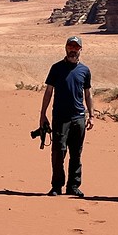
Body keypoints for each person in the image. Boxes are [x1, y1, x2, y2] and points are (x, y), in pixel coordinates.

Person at [39, 36, 94, 197]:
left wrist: (92, 116)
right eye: (70, 46)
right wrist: (42, 114)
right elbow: (48, 92)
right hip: (60, 118)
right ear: (65, 48)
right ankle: (56, 186)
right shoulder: (56, 68)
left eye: (76, 47)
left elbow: (88, 94)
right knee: (58, 152)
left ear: (80, 50)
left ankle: (73, 186)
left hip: (78, 117)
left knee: (76, 153)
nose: (73, 50)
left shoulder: (85, 70)